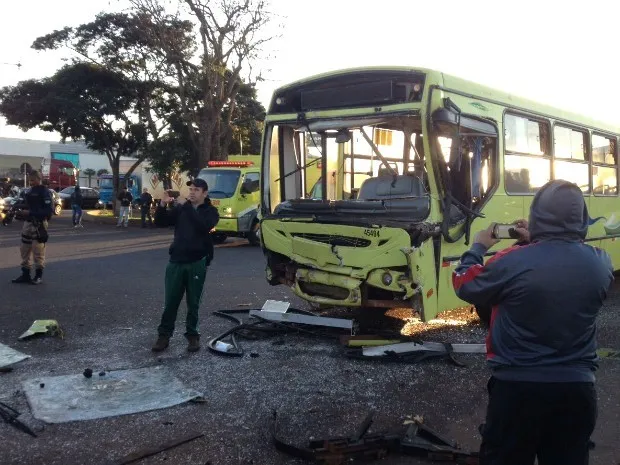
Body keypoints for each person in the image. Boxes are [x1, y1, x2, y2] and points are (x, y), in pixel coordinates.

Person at [452, 179, 614, 465]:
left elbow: (465, 284)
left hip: (517, 390)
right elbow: (563, 256)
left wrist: (477, 247)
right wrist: (538, 240)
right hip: (576, 391)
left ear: (537, 215)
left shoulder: (511, 261)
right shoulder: (600, 263)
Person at [151, 178, 219, 353]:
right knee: (171, 302)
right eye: (191, 189)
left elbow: (203, 226)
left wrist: (187, 206)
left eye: (196, 190)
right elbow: (160, 222)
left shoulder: (210, 211)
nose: (192, 192)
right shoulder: (181, 209)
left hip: (197, 261)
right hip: (176, 261)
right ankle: (164, 336)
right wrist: (162, 205)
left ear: (204, 193)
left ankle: (193, 336)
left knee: (193, 302)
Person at [11, 171, 53, 285]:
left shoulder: (45, 192)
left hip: (39, 224)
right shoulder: (29, 191)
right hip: (28, 223)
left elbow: (48, 211)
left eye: (33, 180)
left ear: (39, 179)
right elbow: (26, 204)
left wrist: (30, 212)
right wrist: (18, 208)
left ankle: (38, 276)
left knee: (38, 250)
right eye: (30, 180)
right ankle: (25, 275)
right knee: (24, 249)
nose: (31, 183)